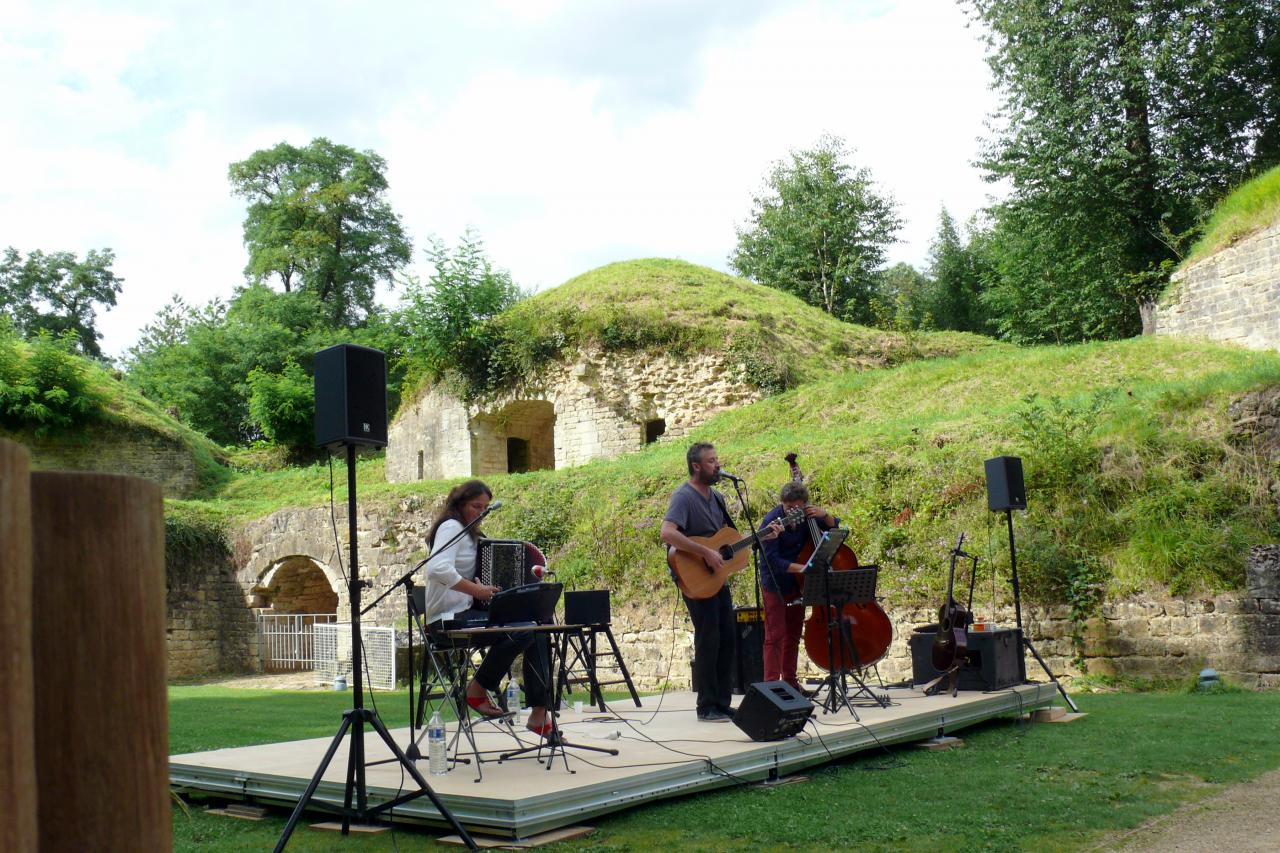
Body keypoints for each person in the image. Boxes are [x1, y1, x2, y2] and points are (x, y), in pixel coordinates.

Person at [661, 442, 780, 722]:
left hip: (716, 578)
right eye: (712, 461)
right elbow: (667, 533)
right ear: (696, 466)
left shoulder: (717, 497)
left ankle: (722, 703)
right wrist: (704, 552)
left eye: (717, 460)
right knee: (709, 638)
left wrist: (763, 535)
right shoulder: (683, 497)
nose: (718, 465)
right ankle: (706, 706)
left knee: (727, 637)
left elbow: (726, 542)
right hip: (694, 576)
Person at [423, 480, 553, 736]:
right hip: (447, 620)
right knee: (523, 630)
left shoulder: (470, 534)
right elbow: (437, 568)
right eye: (476, 506)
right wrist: (477, 591)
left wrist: (484, 587)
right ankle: (479, 688)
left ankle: (540, 711)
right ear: (460, 504)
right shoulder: (451, 527)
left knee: (537, 627)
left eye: (484, 508)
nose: (481, 512)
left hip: (466, 613)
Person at [760, 481, 839, 695]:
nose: (792, 511)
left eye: (797, 507)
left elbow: (834, 530)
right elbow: (772, 560)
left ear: (804, 504)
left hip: (798, 583)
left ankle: (790, 683)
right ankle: (771, 687)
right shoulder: (771, 521)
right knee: (774, 636)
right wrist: (803, 568)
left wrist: (825, 515)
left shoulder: (808, 516)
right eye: (788, 507)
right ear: (782, 504)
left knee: (793, 634)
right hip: (775, 583)